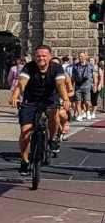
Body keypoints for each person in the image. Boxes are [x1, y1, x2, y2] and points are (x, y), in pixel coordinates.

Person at [12, 45, 71, 174]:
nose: (41, 58)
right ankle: (24, 161)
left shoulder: (56, 68)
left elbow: (60, 84)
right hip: (31, 100)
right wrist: (15, 96)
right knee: (25, 131)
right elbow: (21, 82)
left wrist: (65, 98)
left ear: (50, 56)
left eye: (44, 56)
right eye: (38, 56)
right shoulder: (29, 67)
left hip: (50, 99)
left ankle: (53, 138)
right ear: (34, 57)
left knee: (53, 112)